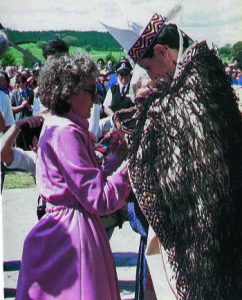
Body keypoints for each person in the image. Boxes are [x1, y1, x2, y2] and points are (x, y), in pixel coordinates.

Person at [104, 13, 242, 299]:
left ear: (162, 51)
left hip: (215, 233)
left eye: (148, 67)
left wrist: (142, 122)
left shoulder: (195, 83)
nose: (151, 76)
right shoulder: (193, 78)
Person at [16, 52, 130, 300]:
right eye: (91, 90)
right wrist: (130, 169)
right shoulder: (66, 132)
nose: (96, 98)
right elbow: (98, 198)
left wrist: (115, 159)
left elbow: (89, 184)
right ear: (69, 94)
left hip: (67, 228)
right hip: (72, 236)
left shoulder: (60, 125)